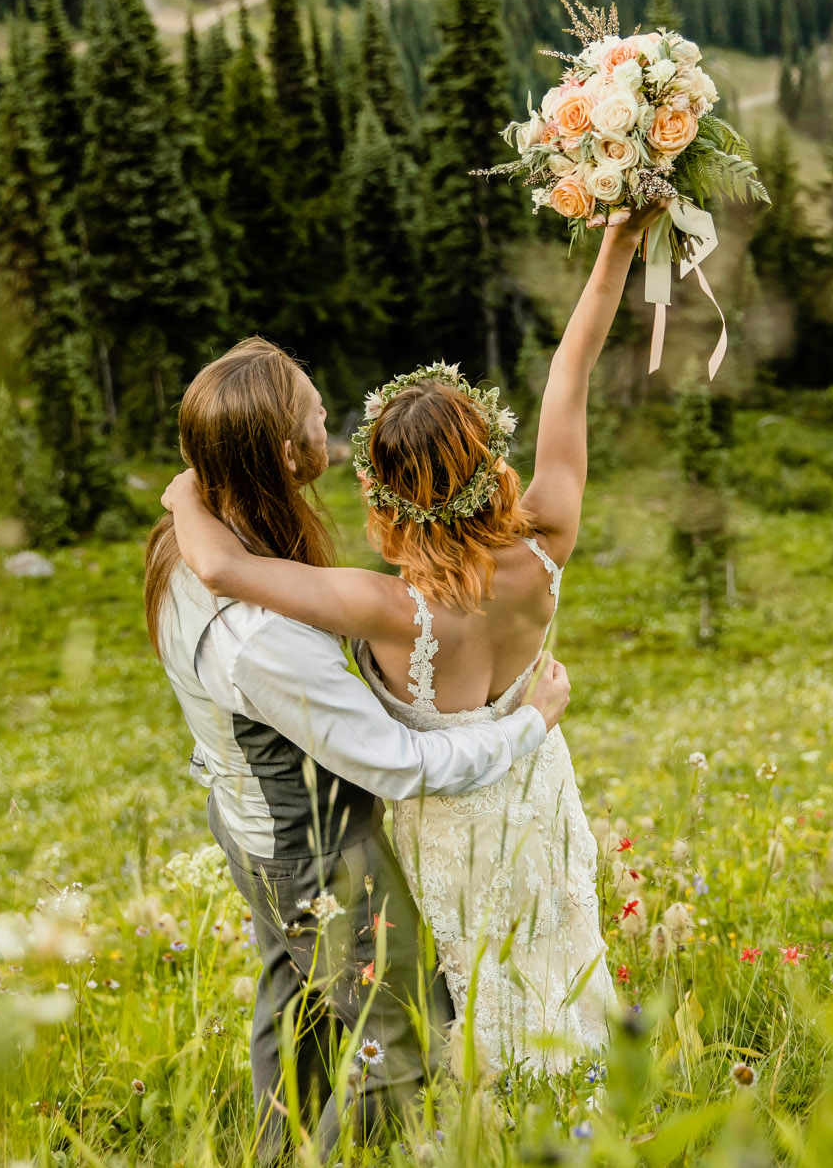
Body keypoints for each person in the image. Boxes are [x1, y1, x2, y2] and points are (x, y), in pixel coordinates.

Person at [162, 205, 661, 1074]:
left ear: (386, 500)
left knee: (468, 981)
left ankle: (493, 1104)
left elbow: (223, 571)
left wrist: (182, 493)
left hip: (446, 821)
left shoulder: (389, 607)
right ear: (490, 458)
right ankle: (579, 1083)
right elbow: (571, 368)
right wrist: (618, 242)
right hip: (536, 787)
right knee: (552, 943)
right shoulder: (550, 538)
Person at [143, 337, 572, 1163]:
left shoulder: (199, 525)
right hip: (317, 849)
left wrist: (187, 497)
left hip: (250, 823)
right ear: (283, 453)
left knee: (296, 1003)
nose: (330, 427)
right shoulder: (261, 637)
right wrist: (530, 723)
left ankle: (278, 1150)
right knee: (402, 1037)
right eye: (316, 415)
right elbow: (402, 764)